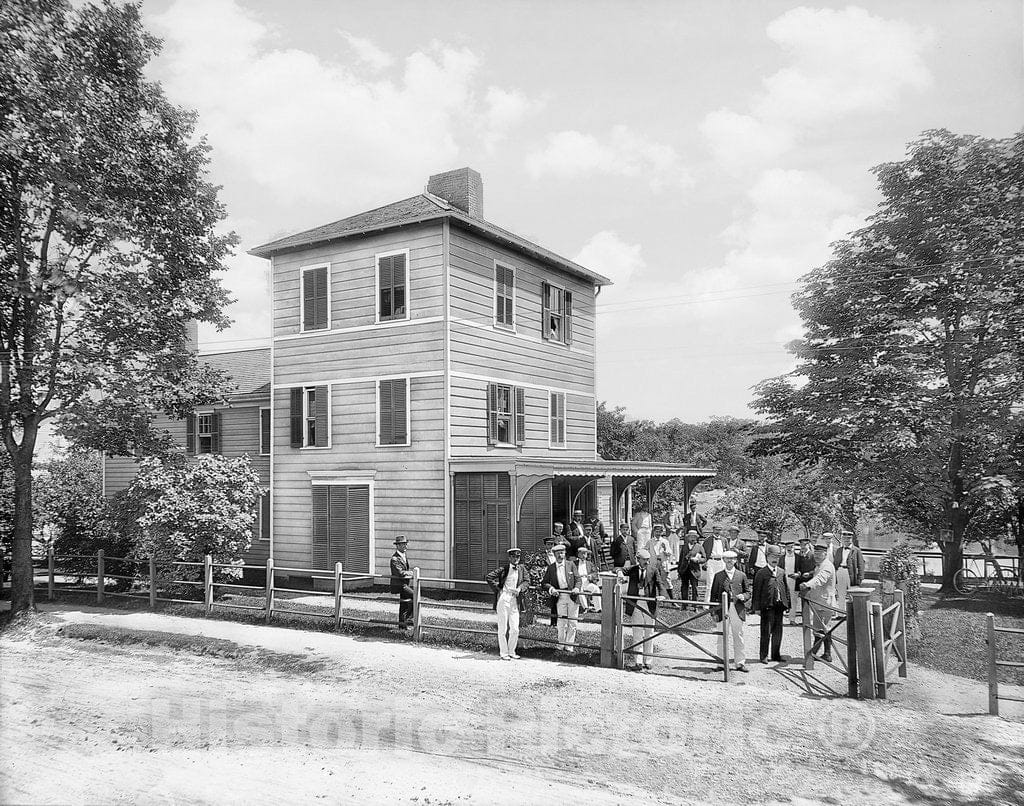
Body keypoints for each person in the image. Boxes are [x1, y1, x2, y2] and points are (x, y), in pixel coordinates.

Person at [618, 548, 663, 670]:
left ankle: (648, 660)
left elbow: (660, 583)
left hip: (649, 603)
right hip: (636, 603)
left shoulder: (653, 570)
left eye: (648, 560)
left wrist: (661, 595)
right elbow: (619, 569)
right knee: (637, 632)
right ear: (638, 560)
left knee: (649, 633)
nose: (647, 562)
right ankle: (637, 661)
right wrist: (620, 573)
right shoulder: (633, 570)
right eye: (644, 560)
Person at [485, 548, 531, 660]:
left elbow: (527, 581)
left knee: (515, 628)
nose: (516, 559)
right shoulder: (504, 569)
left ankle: (512, 651)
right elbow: (489, 577)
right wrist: (498, 589)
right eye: (514, 556)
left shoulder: (522, 569)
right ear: (509, 558)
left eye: (518, 557)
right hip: (504, 598)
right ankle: (504, 652)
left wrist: (520, 589)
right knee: (503, 627)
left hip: (515, 599)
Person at [710, 550, 750, 672]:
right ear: (723, 560)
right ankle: (721, 662)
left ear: (736, 560)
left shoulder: (741, 575)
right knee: (722, 635)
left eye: (732, 559)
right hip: (723, 609)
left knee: (738, 635)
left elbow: (748, 592)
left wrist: (744, 596)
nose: (730, 561)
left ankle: (740, 662)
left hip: (737, 608)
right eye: (727, 559)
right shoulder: (718, 576)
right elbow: (713, 595)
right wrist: (713, 612)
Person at [753, 545, 790, 664]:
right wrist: (757, 607)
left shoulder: (781, 572)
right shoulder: (761, 573)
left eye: (777, 557)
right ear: (767, 557)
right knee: (766, 632)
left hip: (779, 607)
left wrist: (787, 603)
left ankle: (775, 654)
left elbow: (786, 588)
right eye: (772, 556)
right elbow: (756, 591)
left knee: (778, 632)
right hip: (767, 607)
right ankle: (763, 655)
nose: (775, 559)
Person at [800, 542, 837, 662]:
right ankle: (819, 653)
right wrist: (809, 574)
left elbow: (820, 578)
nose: (816, 556)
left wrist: (807, 584)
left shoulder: (827, 566)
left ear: (825, 554)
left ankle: (823, 653)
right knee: (819, 628)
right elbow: (816, 573)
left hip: (825, 602)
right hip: (819, 601)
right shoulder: (820, 564)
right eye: (815, 553)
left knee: (823, 628)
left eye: (819, 553)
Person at [543, 543, 581, 653]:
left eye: (562, 552)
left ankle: (569, 645)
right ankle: (561, 644)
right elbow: (544, 583)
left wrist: (577, 588)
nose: (561, 555)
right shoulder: (551, 568)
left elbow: (578, 579)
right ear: (554, 555)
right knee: (561, 621)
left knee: (573, 622)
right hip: (559, 596)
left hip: (572, 595)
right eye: (558, 553)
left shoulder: (571, 564)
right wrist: (551, 589)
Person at [832, 530, 864, 605]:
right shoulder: (839, 550)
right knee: (841, 594)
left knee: (852, 593)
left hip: (851, 573)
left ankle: (853, 614)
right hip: (840, 571)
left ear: (851, 539)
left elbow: (861, 565)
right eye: (844, 538)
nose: (846, 540)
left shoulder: (856, 550)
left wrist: (860, 577)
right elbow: (835, 563)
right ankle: (841, 614)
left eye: (848, 538)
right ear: (842, 539)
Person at [678, 529, 704, 605]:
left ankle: (694, 604)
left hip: (694, 570)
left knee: (694, 588)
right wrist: (679, 570)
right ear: (688, 538)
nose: (692, 538)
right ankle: (684, 604)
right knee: (684, 587)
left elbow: (704, 558)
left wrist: (698, 560)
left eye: (694, 537)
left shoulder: (699, 547)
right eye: (690, 537)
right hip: (685, 569)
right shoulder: (684, 546)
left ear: (696, 538)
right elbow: (681, 558)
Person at [702, 527, 727, 603]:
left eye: (719, 530)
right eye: (716, 530)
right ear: (713, 530)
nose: (717, 531)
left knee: (721, 582)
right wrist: (705, 562)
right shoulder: (707, 540)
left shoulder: (724, 540)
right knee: (710, 582)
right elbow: (703, 552)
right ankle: (707, 603)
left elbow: (727, 551)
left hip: (721, 562)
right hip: (711, 562)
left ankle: (719, 602)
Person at [575, 546, 602, 613]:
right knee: (580, 589)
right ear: (578, 554)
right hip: (578, 582)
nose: (584, 555)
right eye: (582, 553)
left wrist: (591, 576)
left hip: (587, 582)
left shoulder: (589, 563)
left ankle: (598, 608)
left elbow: (595, 573)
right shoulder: (574, 563)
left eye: (585, 554)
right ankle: (585, 607)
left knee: (596, 588)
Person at [781, 539, 800, 624]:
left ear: (794, 548)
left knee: (793, 600)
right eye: (788, 547)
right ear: (785, 547)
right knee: (782, 599)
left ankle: (792, 619)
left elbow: (801, 570)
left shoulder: (798, 558)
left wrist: (798, 574)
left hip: (794, 581)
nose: (789, 549)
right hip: (783, 580)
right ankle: (779, 620)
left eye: (791, 547)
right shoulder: (781, 558)